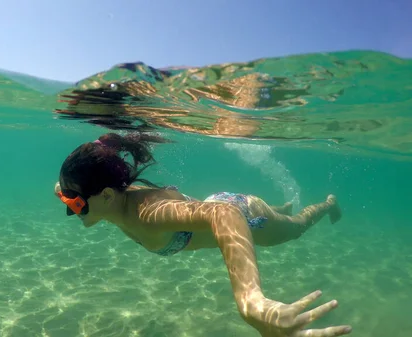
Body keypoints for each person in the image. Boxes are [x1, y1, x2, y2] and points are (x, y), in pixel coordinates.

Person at [54, 132, 352, 337]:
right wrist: (69, 189)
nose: (70, 210)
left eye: (74, 204)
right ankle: (277, 208)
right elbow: (67, 185)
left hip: (241, 213)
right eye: (65, 200)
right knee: (276, 215)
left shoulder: (147, 214)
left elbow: (224, 214)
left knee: (295, 228)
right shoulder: (107, 199)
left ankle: (327, 204)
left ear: (106, 195)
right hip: (213, 203)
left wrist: (251, 299)